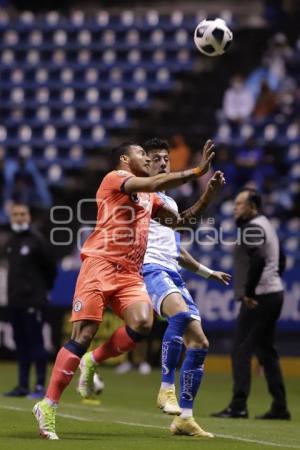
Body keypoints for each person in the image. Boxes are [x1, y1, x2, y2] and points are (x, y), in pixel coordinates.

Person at [32, 140, 224, 440]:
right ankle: (48, 404)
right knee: (83, 335)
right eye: (141, 154)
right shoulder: (115, 178)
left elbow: (181, 222)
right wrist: (197, 170)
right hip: (100, 265)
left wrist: (207, 196)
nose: (147, 159)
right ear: (125, 159)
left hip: (129, 273)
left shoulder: (150, 198)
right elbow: (159, 180)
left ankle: (92, 361)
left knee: (143, 323)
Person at [142, 138, 231, 437]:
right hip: (151, 269)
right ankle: (166, 388)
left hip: (173, 270)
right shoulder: (141, 193)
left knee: (200, 344)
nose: (163, 162)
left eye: (166, 158)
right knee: (179, 317)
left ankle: (185, 418)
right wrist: (198, 175)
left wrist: (208, 273)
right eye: (156, 158)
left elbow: (178, 243)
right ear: (145, 163)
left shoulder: (169, 201)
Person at [211, 188, 291, 420]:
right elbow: (281, 258)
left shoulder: (253, 227)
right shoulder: (265, 224)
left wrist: (249, 292)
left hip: (259, 298)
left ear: (252, 207)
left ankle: (239, 405)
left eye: (239, 204)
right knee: (266, 352)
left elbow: (257, 259)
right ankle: (280, 406)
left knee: (240, 350)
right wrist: (274, 279)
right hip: (272, 293)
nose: (235, 208)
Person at [3, 202, 57, 399]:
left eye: (23, 214)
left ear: (29, 216)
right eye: (16, 214)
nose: (19, 218)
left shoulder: (37, 240)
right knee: (21, 345)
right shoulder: (11, 241)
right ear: (11, 217)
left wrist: (41, 291)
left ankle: (41, 386)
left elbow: (51, 269)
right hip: (15, 302)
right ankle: (23, 386)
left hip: (34, 301)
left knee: (36, 344)